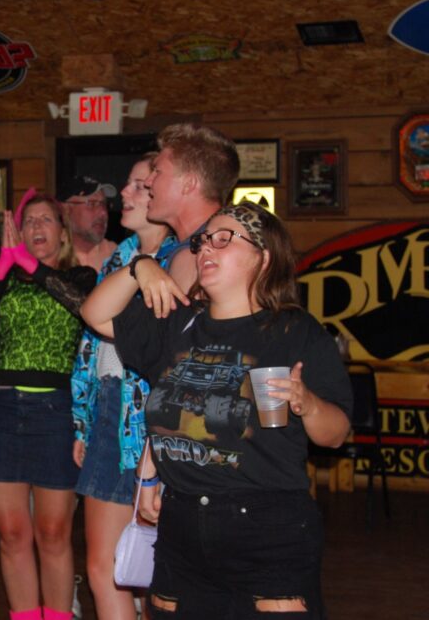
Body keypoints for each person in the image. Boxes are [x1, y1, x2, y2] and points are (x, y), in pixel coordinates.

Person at [80, 201, 352, 619]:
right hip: (181, 525)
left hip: (268, 529)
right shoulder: (180, 324)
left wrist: (308, 403)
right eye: (204, 241)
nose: (206, 248)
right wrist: (141, 269)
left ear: (263, 258)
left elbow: (335, 435)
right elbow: (95, 313)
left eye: (224, 240)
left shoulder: (296, 332)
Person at [0, 194, 96, 620]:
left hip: (55, 413)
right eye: (29, 221)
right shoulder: (7, 278)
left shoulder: (82, 276)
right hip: (0, 410)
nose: (37, 227)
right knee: (12, 534)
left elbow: (83, 307)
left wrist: (30, 264)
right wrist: (4, 264)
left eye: (46, 220)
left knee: (54, 534)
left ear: (62, 230)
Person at [70, 154, 175, 620]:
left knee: (156, 568)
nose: (124, 196)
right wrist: (83, 420)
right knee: (106, 567)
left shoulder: (187, 258)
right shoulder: (121, 254)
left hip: (155, 418)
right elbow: (90, 345)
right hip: (110, 410)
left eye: (138, 186)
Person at [142, 123, 240, 291]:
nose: (147, 182)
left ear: (189, 184)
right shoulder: (187, 246)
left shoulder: (198, 259)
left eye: (157, 171)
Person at [63, 176, 117, 271]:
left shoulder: (118, 255)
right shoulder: (49, 253)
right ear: (66, 209)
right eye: (92, 204)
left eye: (104, 204)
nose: (103, 212)